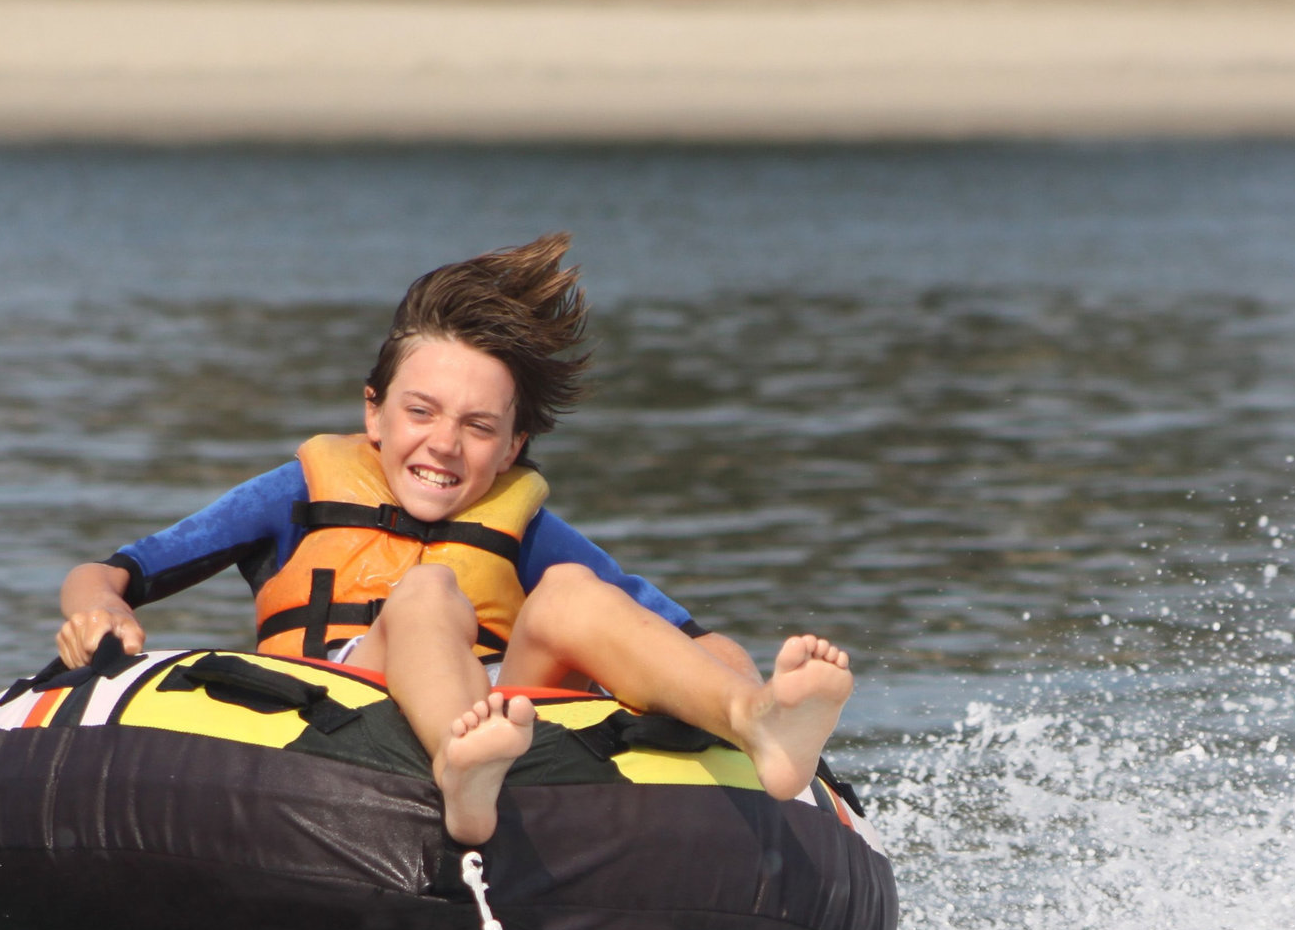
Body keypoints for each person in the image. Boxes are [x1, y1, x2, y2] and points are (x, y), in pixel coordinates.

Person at [54, 235, 852, 845]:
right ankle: (457, 765)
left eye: (478, 428)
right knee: (430, 592)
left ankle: (758, 725)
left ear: (511, 449)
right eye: (421, 412)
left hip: (504, 708)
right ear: (375, 413)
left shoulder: (525, 527)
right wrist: (97, 612)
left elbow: (693, 637)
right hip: (336, 699)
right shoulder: (297, 493)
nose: (443, 445)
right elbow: (117, 571)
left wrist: (736, 702)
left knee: (576, 594)